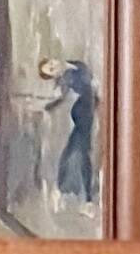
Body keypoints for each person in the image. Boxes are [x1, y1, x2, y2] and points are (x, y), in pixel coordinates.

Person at [41, 55, 100, 208]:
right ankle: (82, 197)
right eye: (51, 70)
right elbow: (63, 96)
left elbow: (89, 79)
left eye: (51, 64)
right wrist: (49, 106)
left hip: (86, 114)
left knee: (75, 152)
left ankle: (65, 191)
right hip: (82, 115)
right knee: (78, 152)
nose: (54, 65)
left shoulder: (73, 65)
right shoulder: (66, 78)